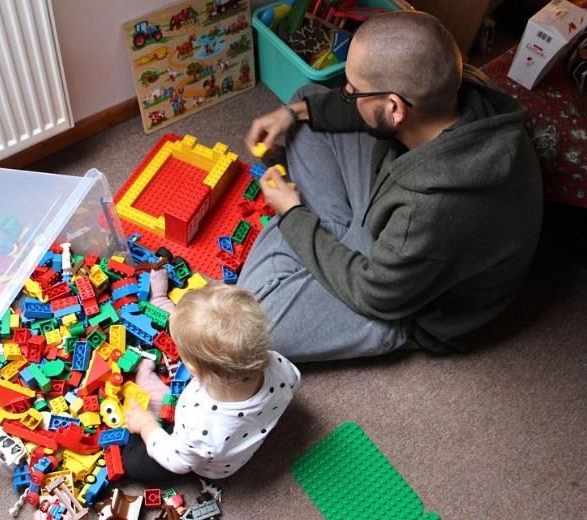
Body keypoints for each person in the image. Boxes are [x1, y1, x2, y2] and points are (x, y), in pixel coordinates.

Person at [238, 11, 543, 361]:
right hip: (399, 213)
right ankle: (338, 233)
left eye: (353, 91)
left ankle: (331, 236)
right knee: (306, 105)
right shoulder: (454, 99)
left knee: (247, 329)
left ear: (395, 108)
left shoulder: (431, 210)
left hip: (411, 303)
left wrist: (292, 214)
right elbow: (356, 108)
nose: (346, 93)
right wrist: (293, 113)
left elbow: (375, 294)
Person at [123, 275, 301, 481]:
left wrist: (146, 426)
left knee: (134, 463)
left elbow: (178, 461)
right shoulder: (276, 362)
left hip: (210, 463)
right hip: (245, 432)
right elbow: (294, 381)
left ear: (191, 368)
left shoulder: (199, 420)